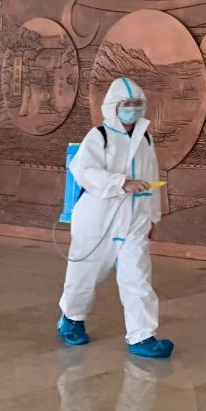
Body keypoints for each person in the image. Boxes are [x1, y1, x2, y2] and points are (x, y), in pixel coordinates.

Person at [57, 77, 173, 358]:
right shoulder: (99, 136)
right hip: (98, 217)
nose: (133, 109)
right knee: (85, 272)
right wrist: (121, 183)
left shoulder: (145, 138)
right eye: (126, 103)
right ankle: (72, 318)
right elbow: (83, 169)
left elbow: (152, 177)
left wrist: (153, 217)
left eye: (137, 103)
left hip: (135, 218)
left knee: (138, 276)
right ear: (113, 106)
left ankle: (142, 337)